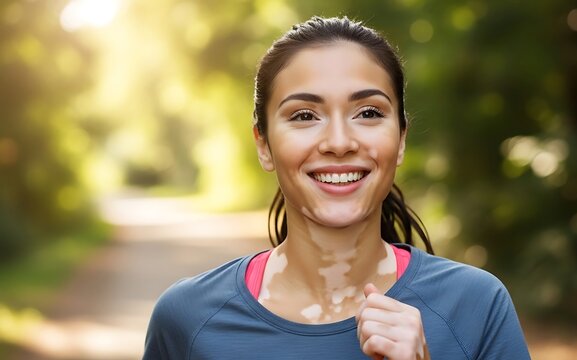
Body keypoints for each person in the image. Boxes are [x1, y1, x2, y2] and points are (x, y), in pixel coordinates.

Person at [143, 16, 531, 359]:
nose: (339, 141)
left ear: (401, 140)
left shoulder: (477, 306)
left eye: (368, 113)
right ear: (264, 145)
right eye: (305, 115)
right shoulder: (188, 319)